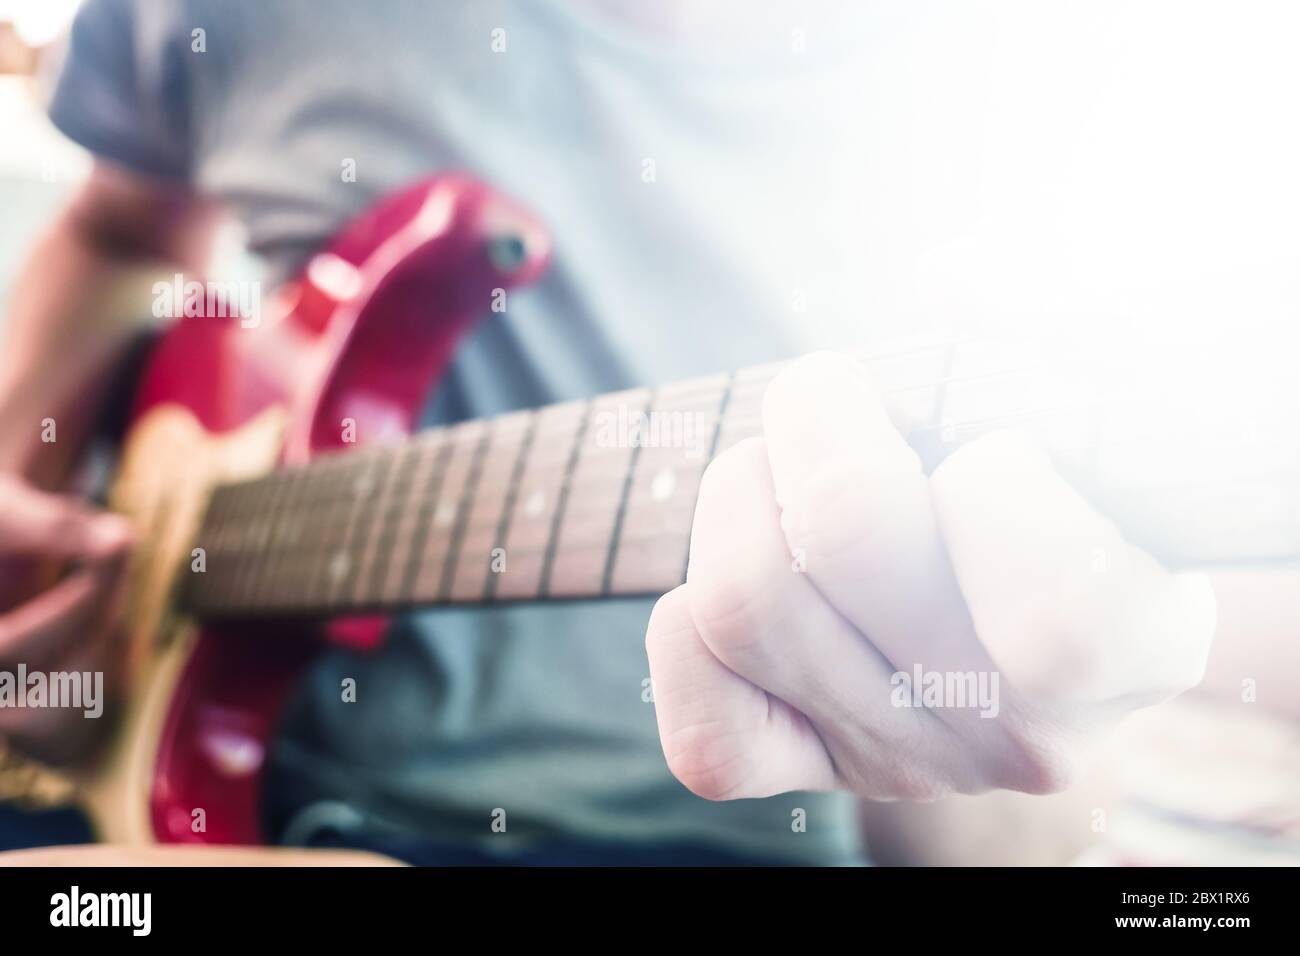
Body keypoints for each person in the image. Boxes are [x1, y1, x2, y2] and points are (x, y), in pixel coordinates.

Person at [1, 0, 1296, 865]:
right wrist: (23, 467)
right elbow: (122, 228)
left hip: (676, 824)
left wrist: (1067, 690)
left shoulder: (1037, 67)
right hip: (162, 781)